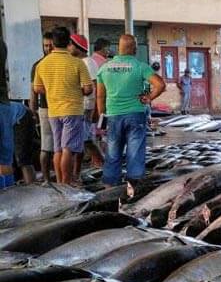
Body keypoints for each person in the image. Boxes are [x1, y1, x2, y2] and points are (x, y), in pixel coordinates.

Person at [95, 34, 164, 189]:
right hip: (136, 115)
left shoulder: (104, 68)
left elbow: (100, 95)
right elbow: (160, 85)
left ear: (118, 48)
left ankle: (110, 187)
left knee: (112, 153)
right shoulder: (140, 66)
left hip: (113, 115)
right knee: (135, 152)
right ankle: (134, 186)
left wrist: (102, 115)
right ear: (135, 49)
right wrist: (149, 97)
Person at [33, 26, 93, 186]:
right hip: (72, 110)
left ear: (52, 42)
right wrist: (74, 89)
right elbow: (88, 88)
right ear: (68, 42)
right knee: (68, 149)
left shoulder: (42, 64)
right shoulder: (77, 63)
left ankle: (60, 182)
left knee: (58, 148)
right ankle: (67, 183)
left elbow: (37, 88)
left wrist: (53, 89)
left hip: (53, 111)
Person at [67, 33, 103, 178]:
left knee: (81, 141)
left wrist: (95, 110)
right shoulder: (81, 62)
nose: (68, 48)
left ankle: (76, 173)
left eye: (70, 45)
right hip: (83, 106)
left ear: (78, 47)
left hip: (86, 107)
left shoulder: (88, 62)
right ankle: (104, 162)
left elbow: (94, 85)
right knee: (87, 140)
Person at [31, 32, 54, 183]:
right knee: (46, 146)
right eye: (45, 45)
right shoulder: (37, 65)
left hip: (59, 108)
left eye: (50, 45)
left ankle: (56, 178)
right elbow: (33, 89)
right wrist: (33, 109)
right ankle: (47, 179)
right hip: (45, 108)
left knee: (57, 147)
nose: (47, 48)